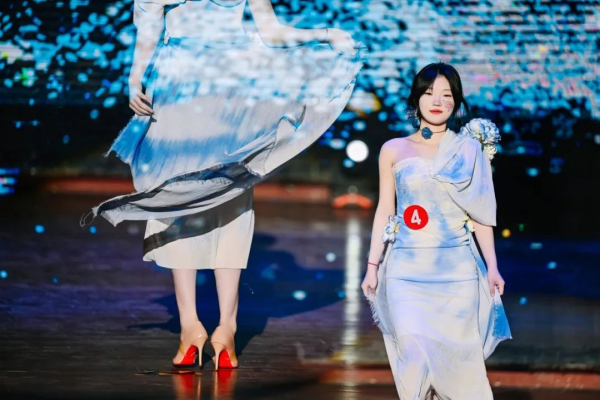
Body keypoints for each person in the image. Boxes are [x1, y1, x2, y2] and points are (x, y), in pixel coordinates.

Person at [89, 0, 363, 370]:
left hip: (181, 91)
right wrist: (328, 35)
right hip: (231, 91)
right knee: (230, 198)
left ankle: (190, 328)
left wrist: (135, 79)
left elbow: (150, 23)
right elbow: (272, 34)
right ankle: (226, 330)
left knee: (178, 201)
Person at [362, 63, 511, 399]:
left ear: (456, 103)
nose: (437, 101)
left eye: (446, 95)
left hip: (456, 274)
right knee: (413, 355)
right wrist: (372, 265)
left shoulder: (469, 151)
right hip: (405, 270)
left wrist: (492, 267)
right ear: (417, 99)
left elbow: (481, 215)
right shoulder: (393, 149)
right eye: (429, 93)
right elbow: (386, 209)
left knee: (458, 363)